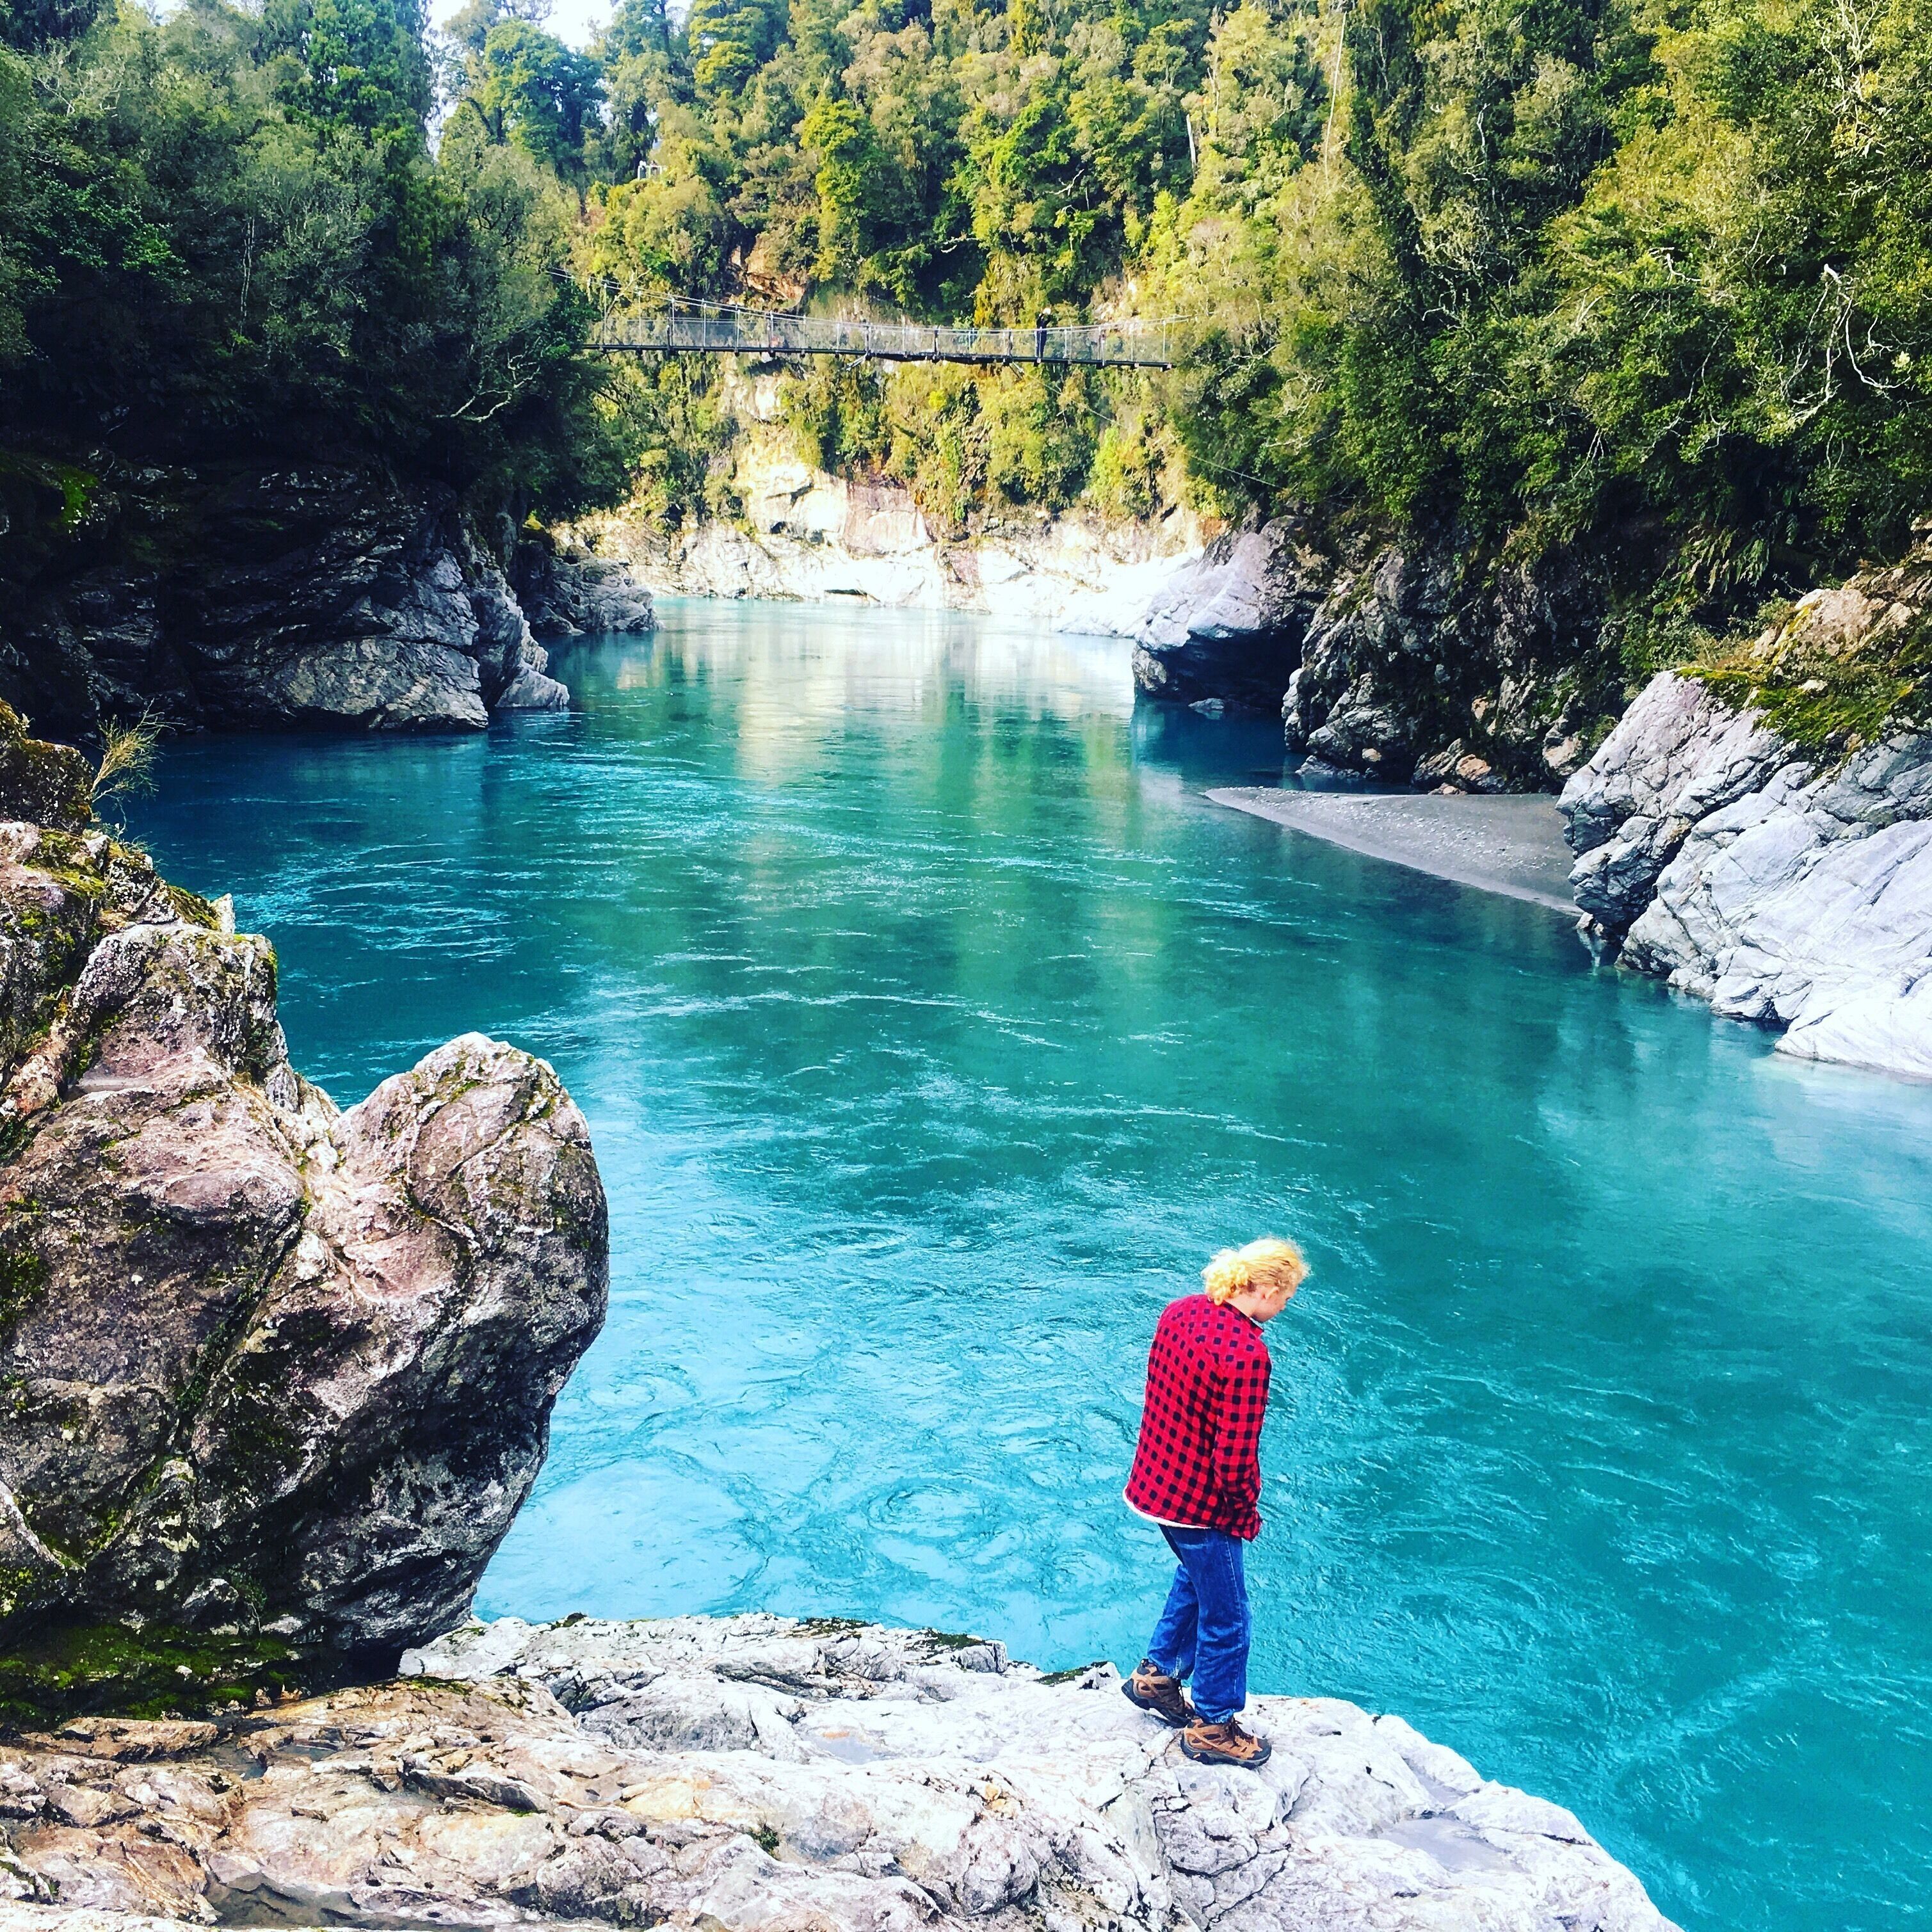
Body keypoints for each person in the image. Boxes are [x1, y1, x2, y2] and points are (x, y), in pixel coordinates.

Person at [1120, 1237, 1308, 1768]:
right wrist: (1246, 1510)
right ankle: (1213, 1725)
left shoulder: (1181, 1313)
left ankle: (1158, 1676)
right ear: (1267, 1288)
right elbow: (1234, 1457)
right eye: (1286, 1297)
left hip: (1155, 1487)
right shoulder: (1247, 1354)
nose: (1284, 1307)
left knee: (1199, 1577)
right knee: (1229, 1614)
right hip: (1202, 1505)